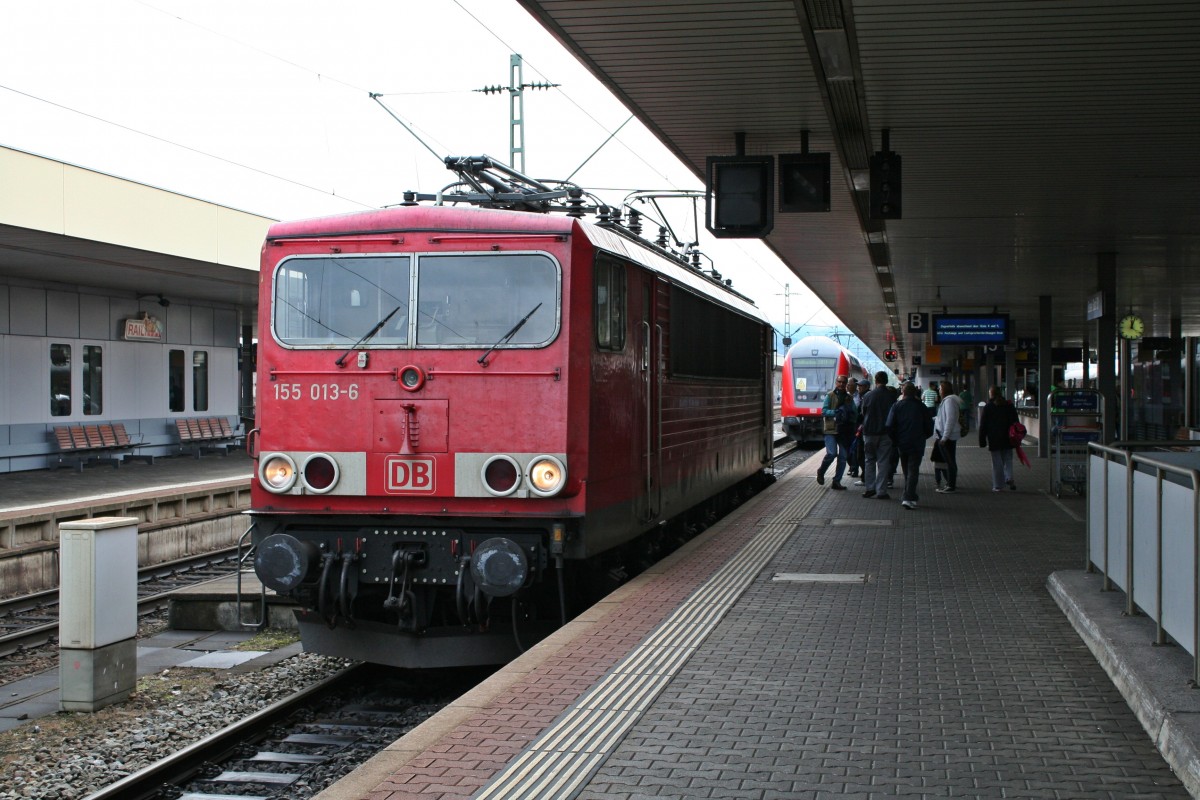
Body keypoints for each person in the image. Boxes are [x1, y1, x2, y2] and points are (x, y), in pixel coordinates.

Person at [887, 382, 934, 509]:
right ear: (915, 393)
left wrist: (895, 440)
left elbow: (889, 426)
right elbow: (930, 427)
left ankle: (908, 495)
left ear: (903, 392)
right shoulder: (922, 407)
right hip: (917, 443)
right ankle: (909, 496)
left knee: (907, 469)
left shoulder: (896, 406)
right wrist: (923, 437)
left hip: (902, 443)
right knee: (913, 469)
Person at [858, 371, 896, 499]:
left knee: (869, 460)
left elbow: (863, 412)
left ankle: (870, 488)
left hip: (869, 432)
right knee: (883, 461)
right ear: (886, 381)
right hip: (886, 433)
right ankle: (881, 491)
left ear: (876, 380)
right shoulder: (891, 396)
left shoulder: (869, 395)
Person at [816, 374, 857, 490]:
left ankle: (836, 481)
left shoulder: (849, 398)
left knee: (843, 456)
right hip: (831, 429)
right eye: (839, 382)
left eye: (844, 382)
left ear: (846, 385)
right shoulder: (830, 396)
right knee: (832, 453)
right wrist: (836, 412)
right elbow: (823, 412)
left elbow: (854, 412)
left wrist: (850, 418)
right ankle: (821, 471)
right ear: (836, 383)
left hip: (844, 431)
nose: (841, 384)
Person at [979, 386, 1019, 491]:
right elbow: (1016, 421)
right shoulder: (1009, 405)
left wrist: (982, 440)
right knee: (1008, 459)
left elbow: (983, 425)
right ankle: (1009, 477)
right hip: (1009, 437)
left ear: (991, 393)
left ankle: (998, 485)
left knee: (997, 462)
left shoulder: (988, 407)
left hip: (994, 438)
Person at [933, 380, 962, 493]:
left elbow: (950, 419)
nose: (939, 390)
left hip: (947, 437)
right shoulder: (947, 401)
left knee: (949, 462)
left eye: (940, 388)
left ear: (944, 390)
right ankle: (950, 483)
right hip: (945, 435)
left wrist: (944, 437)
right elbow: (944, 417)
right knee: (949, 461)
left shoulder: (949, 401)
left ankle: (951, 485)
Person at [848, 378, 870, 479]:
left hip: (860, 428)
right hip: (854, 427)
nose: (858, 387)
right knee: (854, 450)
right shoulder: (859, 396)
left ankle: (861, 473)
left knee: (859, 452)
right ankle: (855, 468)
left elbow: (862, 413)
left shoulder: (864, 397)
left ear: (866, 387)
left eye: (860, 386)